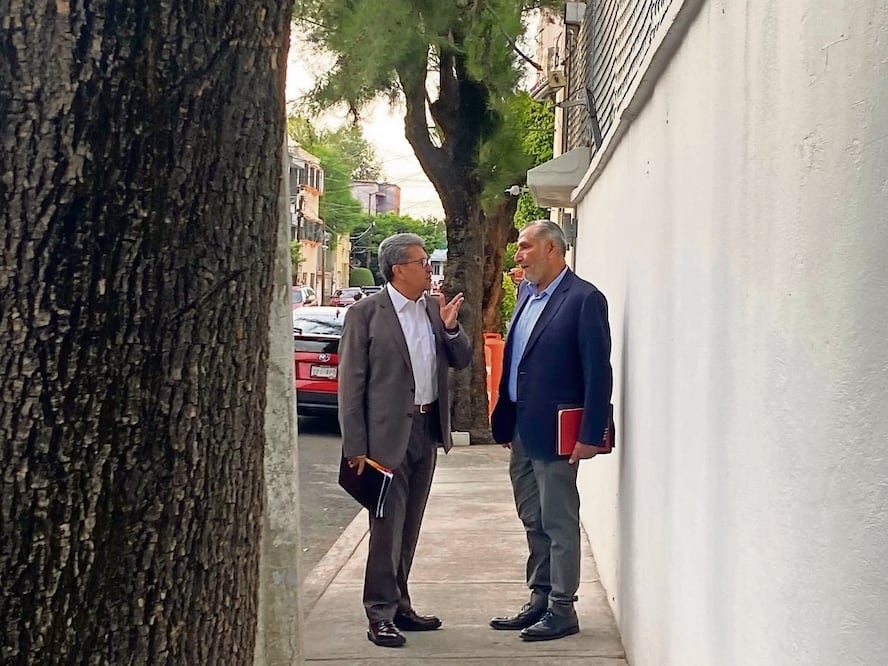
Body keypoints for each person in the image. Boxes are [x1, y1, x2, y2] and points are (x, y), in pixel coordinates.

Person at [338, 233, 472, 648]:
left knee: (409, 525)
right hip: (384, 438)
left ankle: (400, 606)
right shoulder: (365, 313)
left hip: (426, 430)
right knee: (386, 529)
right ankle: (379, 613)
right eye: (422, 263)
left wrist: (450, 328)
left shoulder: (433, 308)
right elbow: (351, 383)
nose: (429, 270)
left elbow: (462, 359)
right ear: (398, 269)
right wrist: (355, 446)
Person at [489, 220, 613, 642]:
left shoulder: (584, 299)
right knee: (532, 517)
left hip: (559, 433)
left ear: (552, 250)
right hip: (521, 429)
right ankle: (539, 599)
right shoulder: (526, 294)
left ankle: (563, 608)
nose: (518, 255)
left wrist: (591, 434)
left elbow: (598, 372)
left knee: (559, 521)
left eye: (525, 247)